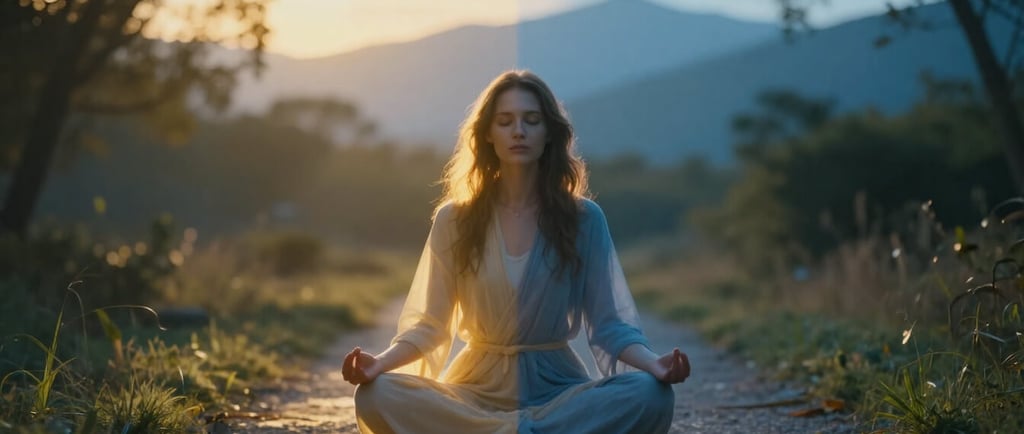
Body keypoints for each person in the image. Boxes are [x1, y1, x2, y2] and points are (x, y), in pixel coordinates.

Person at [342, 70, 691, 433]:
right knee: (375, 394)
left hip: (558, 393)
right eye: (505, 121)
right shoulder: (455, 219)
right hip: (473, 394)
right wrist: (378, 364)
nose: (519, 131)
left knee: (652, 394)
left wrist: (656, 365)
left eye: (532, 120)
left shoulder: (584, 218)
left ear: (549, 133)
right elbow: (429, 327)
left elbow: (610, 327)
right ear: (488, 135)